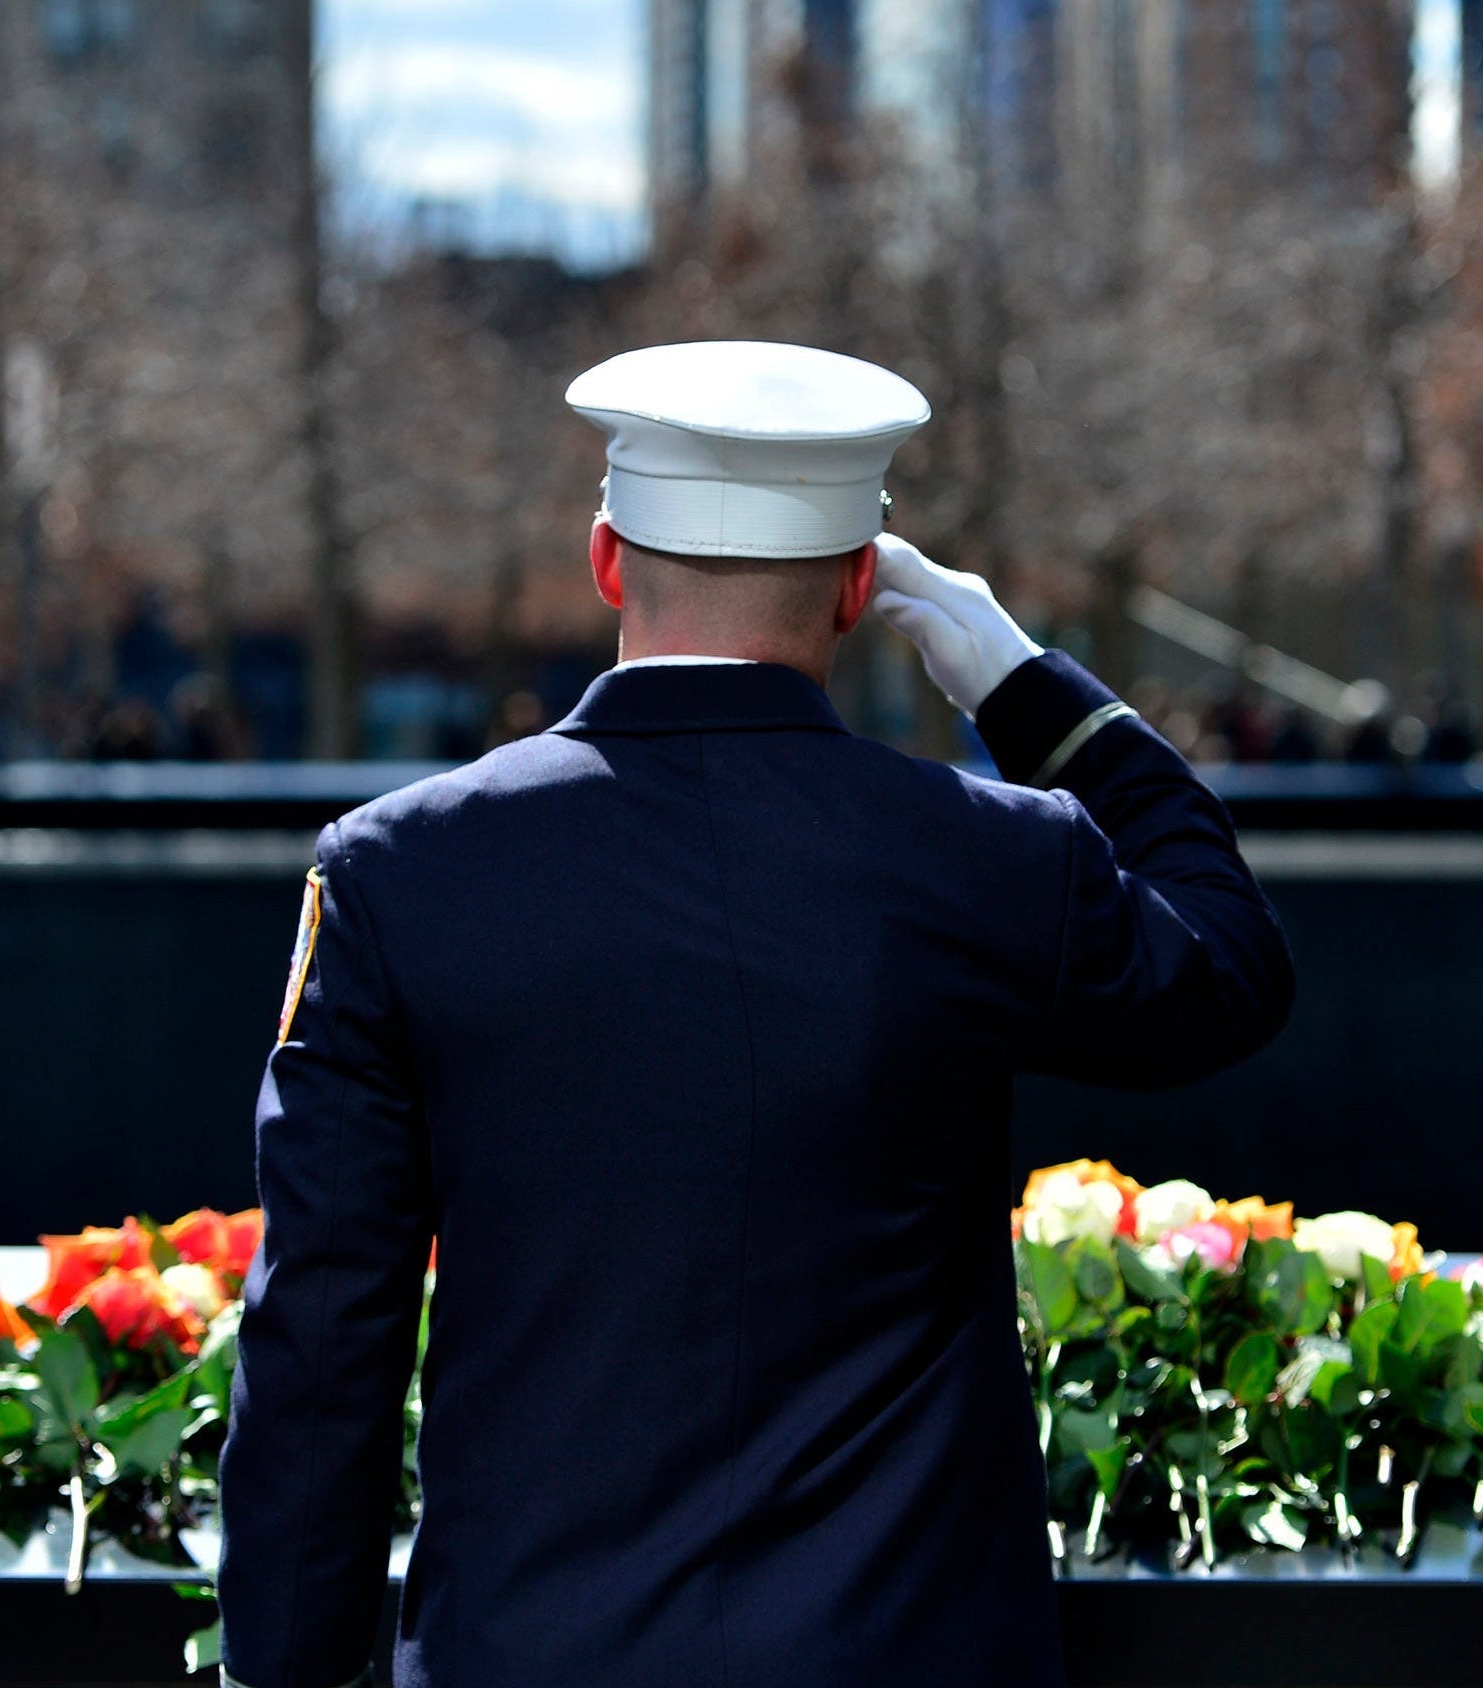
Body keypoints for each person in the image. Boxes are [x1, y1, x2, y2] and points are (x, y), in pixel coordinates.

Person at [216, 341, 1297, 1688]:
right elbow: (1233, 966)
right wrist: (1021, 685)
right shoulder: (986, 857)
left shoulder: (399, 872)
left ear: (607, 559)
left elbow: (324, 1346)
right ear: (859, 588)